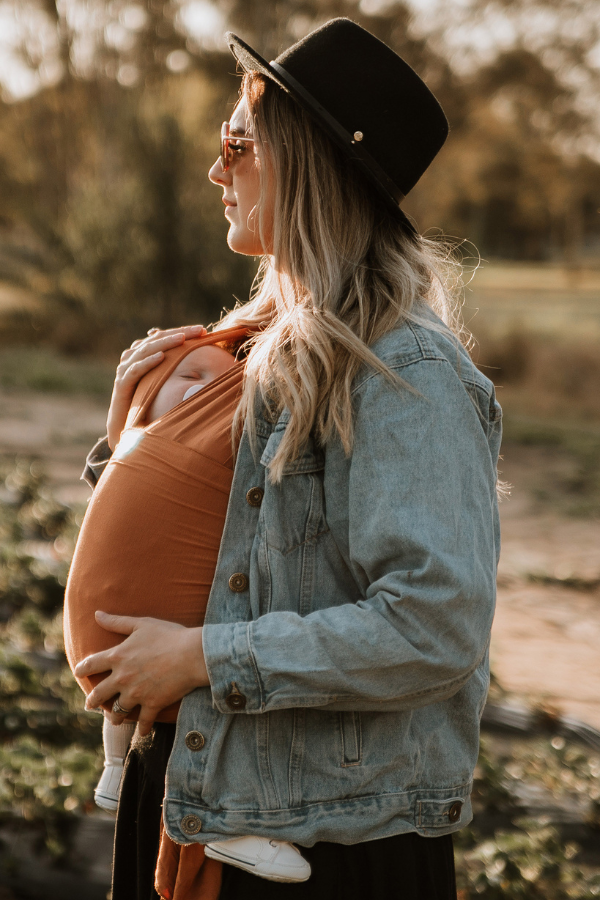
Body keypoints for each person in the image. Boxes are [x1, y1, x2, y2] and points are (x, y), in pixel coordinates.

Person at [72, 17, 501, 900]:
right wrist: (126, 443)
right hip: (204, 792)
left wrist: (203, 659)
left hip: (324, 844)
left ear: (310, 164)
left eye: (238, 143)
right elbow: (226, 547)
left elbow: (436, 622)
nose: (215, 169)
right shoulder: (264, 343)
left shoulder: (403, 372)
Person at [65, 333, 311, 882]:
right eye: (190, 378)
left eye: (223, 385)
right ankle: (228, 819)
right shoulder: (135, 442)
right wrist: (121, 435)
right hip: (145, 661)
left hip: (128, 650)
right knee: (213, 702)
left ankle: (130, 774)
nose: (206, 392)